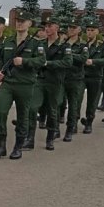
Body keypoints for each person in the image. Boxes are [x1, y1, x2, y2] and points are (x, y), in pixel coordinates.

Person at [0, 10, 44, 159]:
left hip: (25, 84)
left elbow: (41, 61)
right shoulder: (8, 41)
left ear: (29, 24)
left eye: (23, 21)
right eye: (18, 21)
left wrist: (25, 61)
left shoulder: (36, 43)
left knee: (22, 116)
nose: (19, 23)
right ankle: (1, 146)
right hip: (8, 83)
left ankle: (18, 146)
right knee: (0, 112)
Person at [27, 16, 72, 151]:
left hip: (54, 82)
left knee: (52, 111)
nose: (47, 28)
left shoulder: (65, 46)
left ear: (57, 27)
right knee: (33, 108)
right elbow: (34, 59)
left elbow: (68, 62)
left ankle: (50, 137)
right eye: (46, 26)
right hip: (40, 80)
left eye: (50, 26)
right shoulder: (40, 44)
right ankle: (29, 139)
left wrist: (49, 63)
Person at [61, 18, 87, 142]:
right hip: (62, 77)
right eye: (69, 27)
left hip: (75, 78)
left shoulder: (82, 45)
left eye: (74, 27)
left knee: (73, 105)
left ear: (79, 30)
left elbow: (83, 59)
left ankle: (70, 129)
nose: (71, 29)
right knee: (58, 103)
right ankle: (54, 128)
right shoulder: (62, 43)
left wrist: (69, 55)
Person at [81, 21, 104, 133]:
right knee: (77, 100)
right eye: (88, 30)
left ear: (97, 31)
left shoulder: (102, 46)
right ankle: (73, 122)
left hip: (95, 76)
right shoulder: (82, 44)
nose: (90, 32)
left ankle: (89, 122)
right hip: (81, 75)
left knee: (92, 101)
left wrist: (94, 61)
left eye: (92, 30)